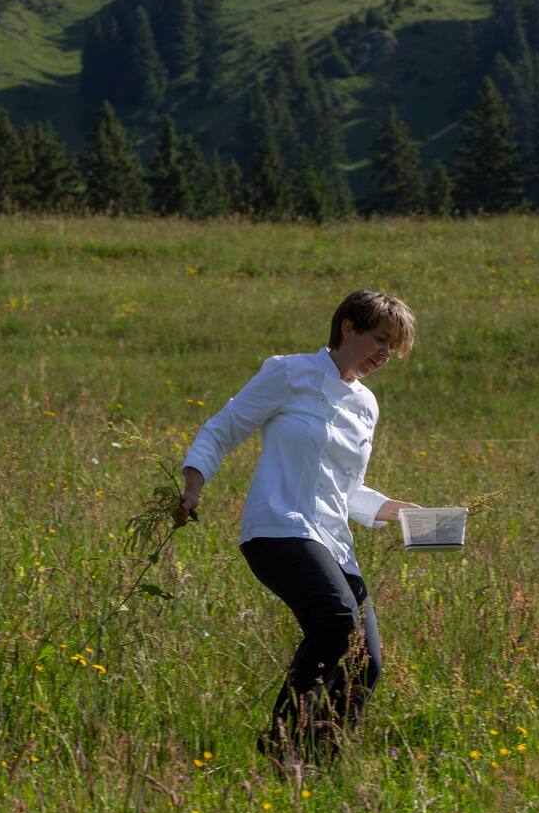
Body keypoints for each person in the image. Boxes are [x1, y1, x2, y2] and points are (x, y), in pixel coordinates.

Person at [173, 289, 421, 764]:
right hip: (278, 527)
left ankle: (319, 763)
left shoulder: (366, 405)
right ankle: (280, 745)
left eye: (394, 347)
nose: (385, 354)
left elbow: (345, 487)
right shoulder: (289, 372)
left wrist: (394, 510)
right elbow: (222, 428)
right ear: (348, 327)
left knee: (366, 661)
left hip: (333, 541)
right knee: (335, 619)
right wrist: (193, 484)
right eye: (379, 339)